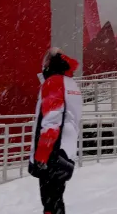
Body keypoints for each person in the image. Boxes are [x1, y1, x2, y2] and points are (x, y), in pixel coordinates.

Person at [28, 47, 82, 214]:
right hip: (66, 150)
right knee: (57, 198)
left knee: (50, 202)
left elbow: (52, 121)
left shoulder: (54, 82)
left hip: (53, 152)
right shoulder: (71, 83)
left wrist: (41, 155)